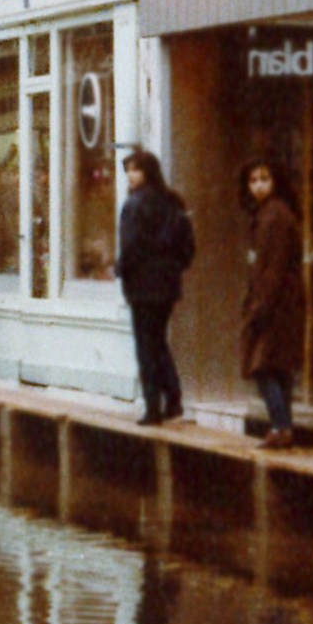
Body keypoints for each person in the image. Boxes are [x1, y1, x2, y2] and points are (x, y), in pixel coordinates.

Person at [115, 150, 197, 426]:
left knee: (146, 345)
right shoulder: (173, 202)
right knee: (158, 341)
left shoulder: (134, 205)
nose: (130, 176)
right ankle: (172, 398)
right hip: (167, 285)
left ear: (147, 172)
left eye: (135, 170)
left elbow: (129, 247)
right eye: (128, 170)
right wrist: (171, 267)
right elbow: (188, 247)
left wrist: (121, 270)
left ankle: (153, 405)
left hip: (142, 285)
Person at [239, 156, 302, 449]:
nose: (259, 186)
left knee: (262, 366)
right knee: (278, 368)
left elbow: (273, 267)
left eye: (264, 179)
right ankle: (282, 427)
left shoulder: (274, 216)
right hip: (281, 304)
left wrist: (259, 307)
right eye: (253, 180)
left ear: (275, 180)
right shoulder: (269, 214)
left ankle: (280, 425)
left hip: (275, 306)